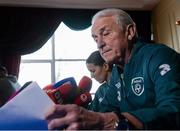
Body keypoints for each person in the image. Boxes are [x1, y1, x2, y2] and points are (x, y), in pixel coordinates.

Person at [45, 8, 180, 130]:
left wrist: (108, 122)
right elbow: (104, 111)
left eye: (106, 33)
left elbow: (174, 111)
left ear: (130, 31)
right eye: (95, 38)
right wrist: (71, 118)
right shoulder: (116, 71)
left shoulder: (159, 56)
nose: (99, 44)